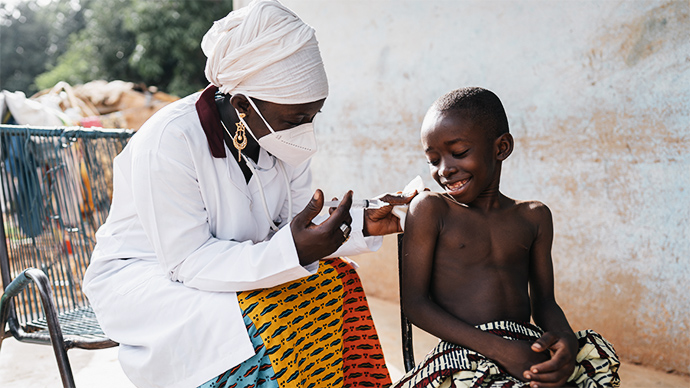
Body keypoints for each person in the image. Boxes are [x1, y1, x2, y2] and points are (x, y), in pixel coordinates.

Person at [83, 1, 413, 387]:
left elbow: (286, 231)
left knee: (338, 280)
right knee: (259, 317)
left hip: (225, 265)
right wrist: (295, 251)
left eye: (312, 116)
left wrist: (358, 223)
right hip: (150, 277)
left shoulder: (281, 135)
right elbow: (189, 261)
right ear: (241, 105)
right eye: (296, 119)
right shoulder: (171, 141)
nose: (305, 130)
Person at [393, 87, 620, 388]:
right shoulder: (432, 210)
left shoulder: (534, 217)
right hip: (464, 355)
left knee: (595, 362)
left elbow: (544, 302)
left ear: (501, 148)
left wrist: (564, 342)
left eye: (459, 153)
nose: (444, 170)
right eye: (433, 160)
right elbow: (415, 305)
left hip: (527, 347)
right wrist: (501, 350)